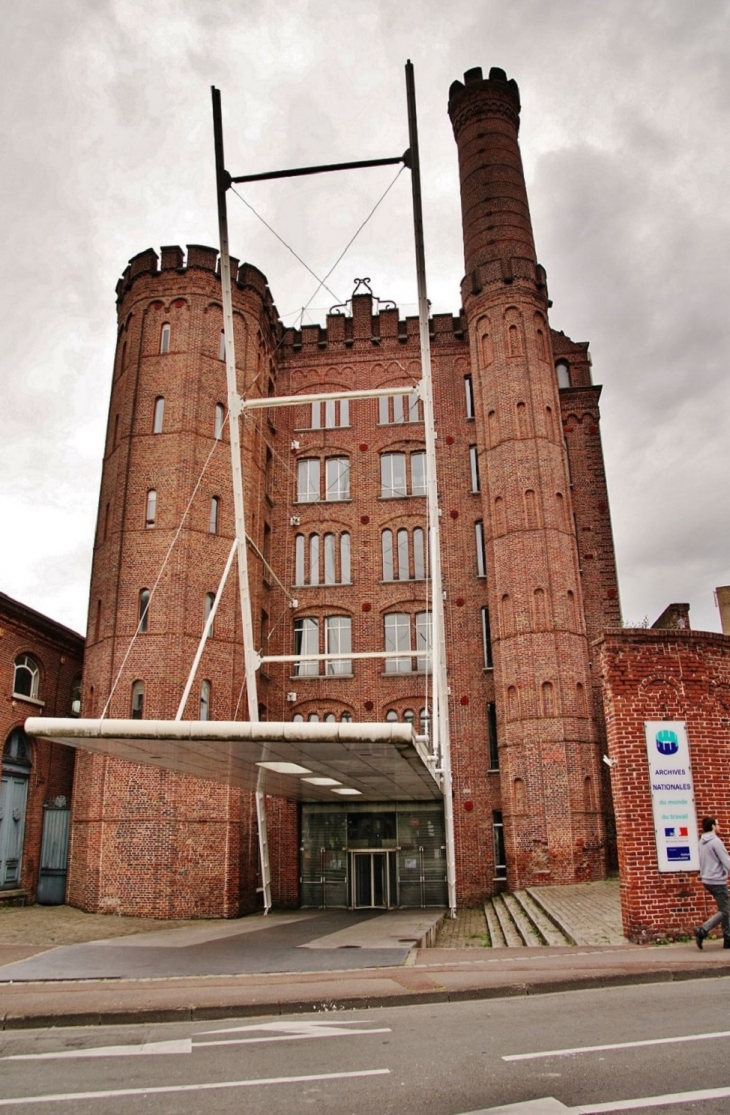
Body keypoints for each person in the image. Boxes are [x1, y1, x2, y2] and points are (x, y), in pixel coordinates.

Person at [694, 816, 730, 949]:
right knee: (725, 910)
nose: (719, 827)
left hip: (707, 879)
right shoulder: (716, 841)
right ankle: (703, 930)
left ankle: (728, 938)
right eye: (718, 824)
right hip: (717, 880)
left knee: (724, 908)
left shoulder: (701, 841)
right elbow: (726, 860)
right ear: (713, 827)